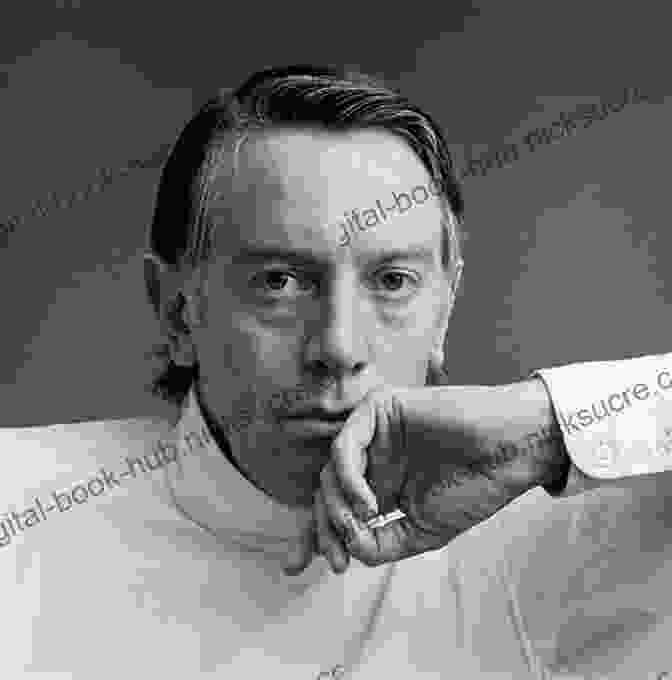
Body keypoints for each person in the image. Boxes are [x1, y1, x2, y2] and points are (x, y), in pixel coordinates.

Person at [2, 65, 672, 679]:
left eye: (393, 281)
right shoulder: (19, 506)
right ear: (177, 311)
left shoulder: (564, 549)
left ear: (445, 310)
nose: (339, 346)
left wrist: (546, 424)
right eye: (280, 281)